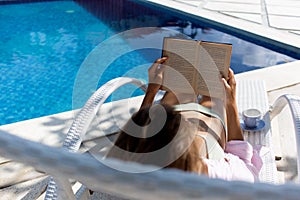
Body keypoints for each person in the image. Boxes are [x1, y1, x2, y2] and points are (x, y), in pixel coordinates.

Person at [107, 57, 263, 182]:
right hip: (205, 144)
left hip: (170, 141)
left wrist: (152, 90)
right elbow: (243, 157)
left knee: (179, 90)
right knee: (213, 97)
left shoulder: (123, 172)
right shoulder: (222, 176)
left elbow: (137, 139)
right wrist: (231, 103)